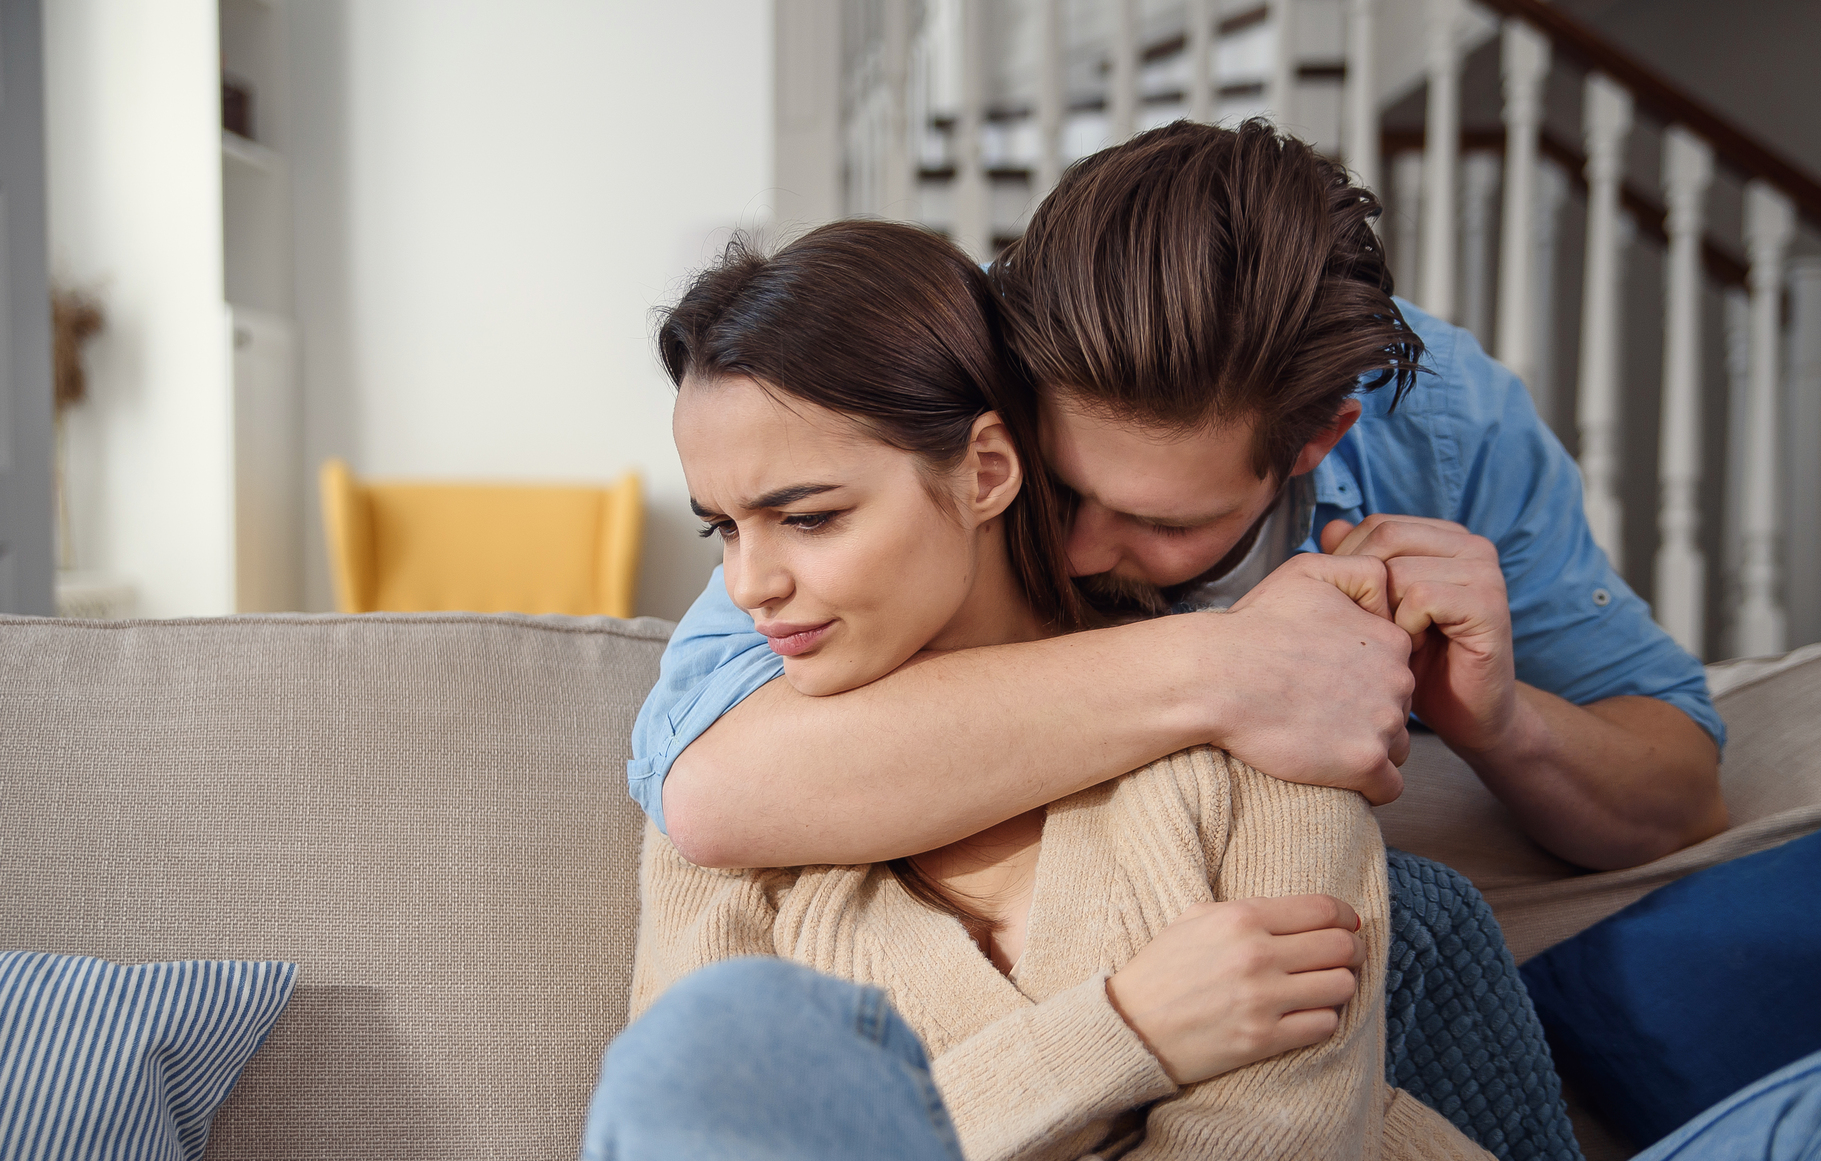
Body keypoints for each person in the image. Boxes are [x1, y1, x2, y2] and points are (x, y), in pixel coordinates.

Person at [584, 219, 1821, 1161]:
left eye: (809, 516)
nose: (754, 579)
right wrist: (1123, 1032)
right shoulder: (740, 767)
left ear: (990, 470)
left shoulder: (1267, 742)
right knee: (699, 1063)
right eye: (721, 527)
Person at [631, 119, 1728, 885]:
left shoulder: (1441, 429)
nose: (1078, 547)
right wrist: (1232, 670)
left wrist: (1501, 725)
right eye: (1059, 487)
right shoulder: (941, 373)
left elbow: (1678, 798)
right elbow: (717, 786)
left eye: (1160, 523)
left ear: (1313, 444)